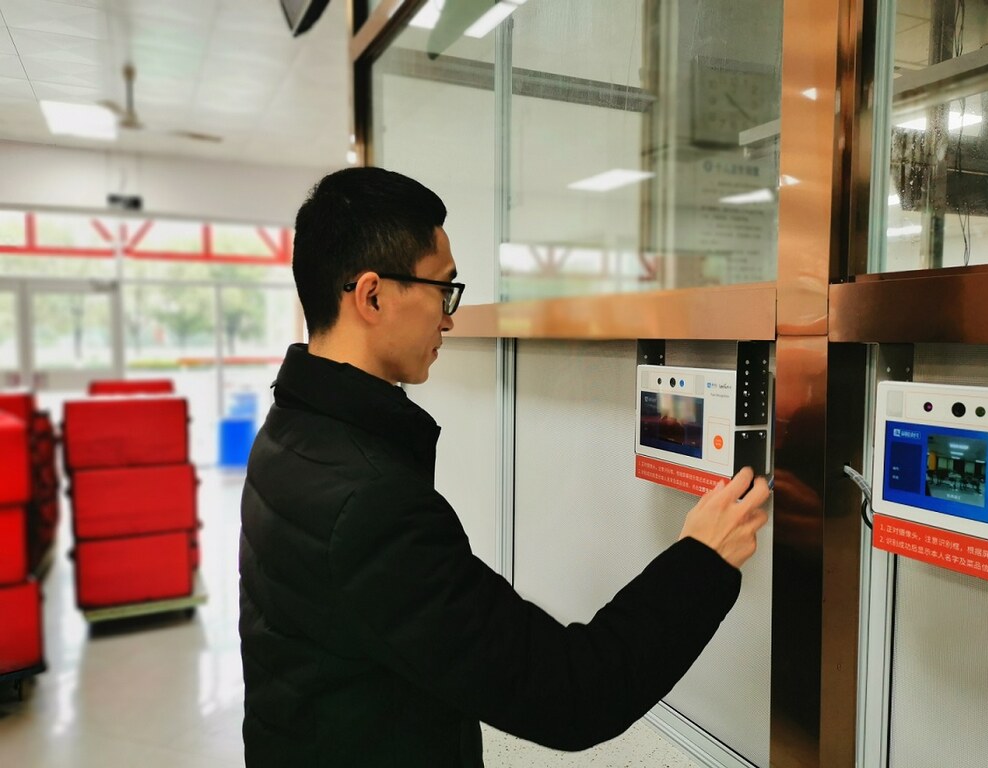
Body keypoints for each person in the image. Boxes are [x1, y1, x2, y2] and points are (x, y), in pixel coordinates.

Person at [238, 166, 771, 767]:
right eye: (443, 289)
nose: (449, 316)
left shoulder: (287, 434)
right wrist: (701, 560)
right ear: (372, 295)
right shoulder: (371, 503)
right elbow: (573, 694)